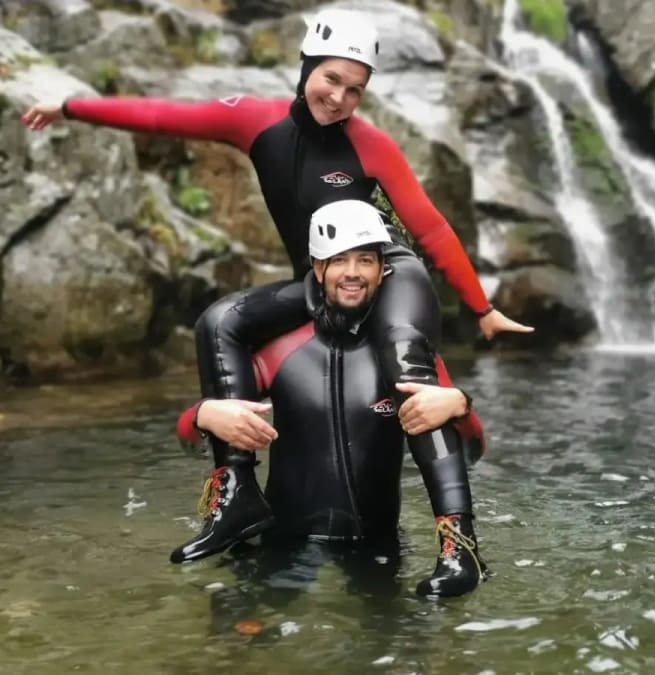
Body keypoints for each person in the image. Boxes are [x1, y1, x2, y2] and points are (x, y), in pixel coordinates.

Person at [22, 8, 532, 560]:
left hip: (392, 270)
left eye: (355, 90)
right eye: (331, 78)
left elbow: (429, 226)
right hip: (319, 280)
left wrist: (479, 308)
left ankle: (459, 546)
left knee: (407, 360)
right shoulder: (254, 121)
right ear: (307, 63)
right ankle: (236, 492)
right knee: (219, 321)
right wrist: (70, 107)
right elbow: (160, 114)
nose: (339, 98)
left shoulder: (370, 143)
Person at [176, 199, 488, 597]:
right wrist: (203, 415)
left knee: (395, 651)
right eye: (339, 261)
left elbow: (474, 449)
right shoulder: (279, 350)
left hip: (377, 544)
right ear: (318, 270)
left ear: (383, 271)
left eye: (365, 261)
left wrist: (460, 403)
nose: (353, 273)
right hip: (279, 541)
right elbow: (187, 440)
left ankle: (458, 555)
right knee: (240, 649)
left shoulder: (408, 360)